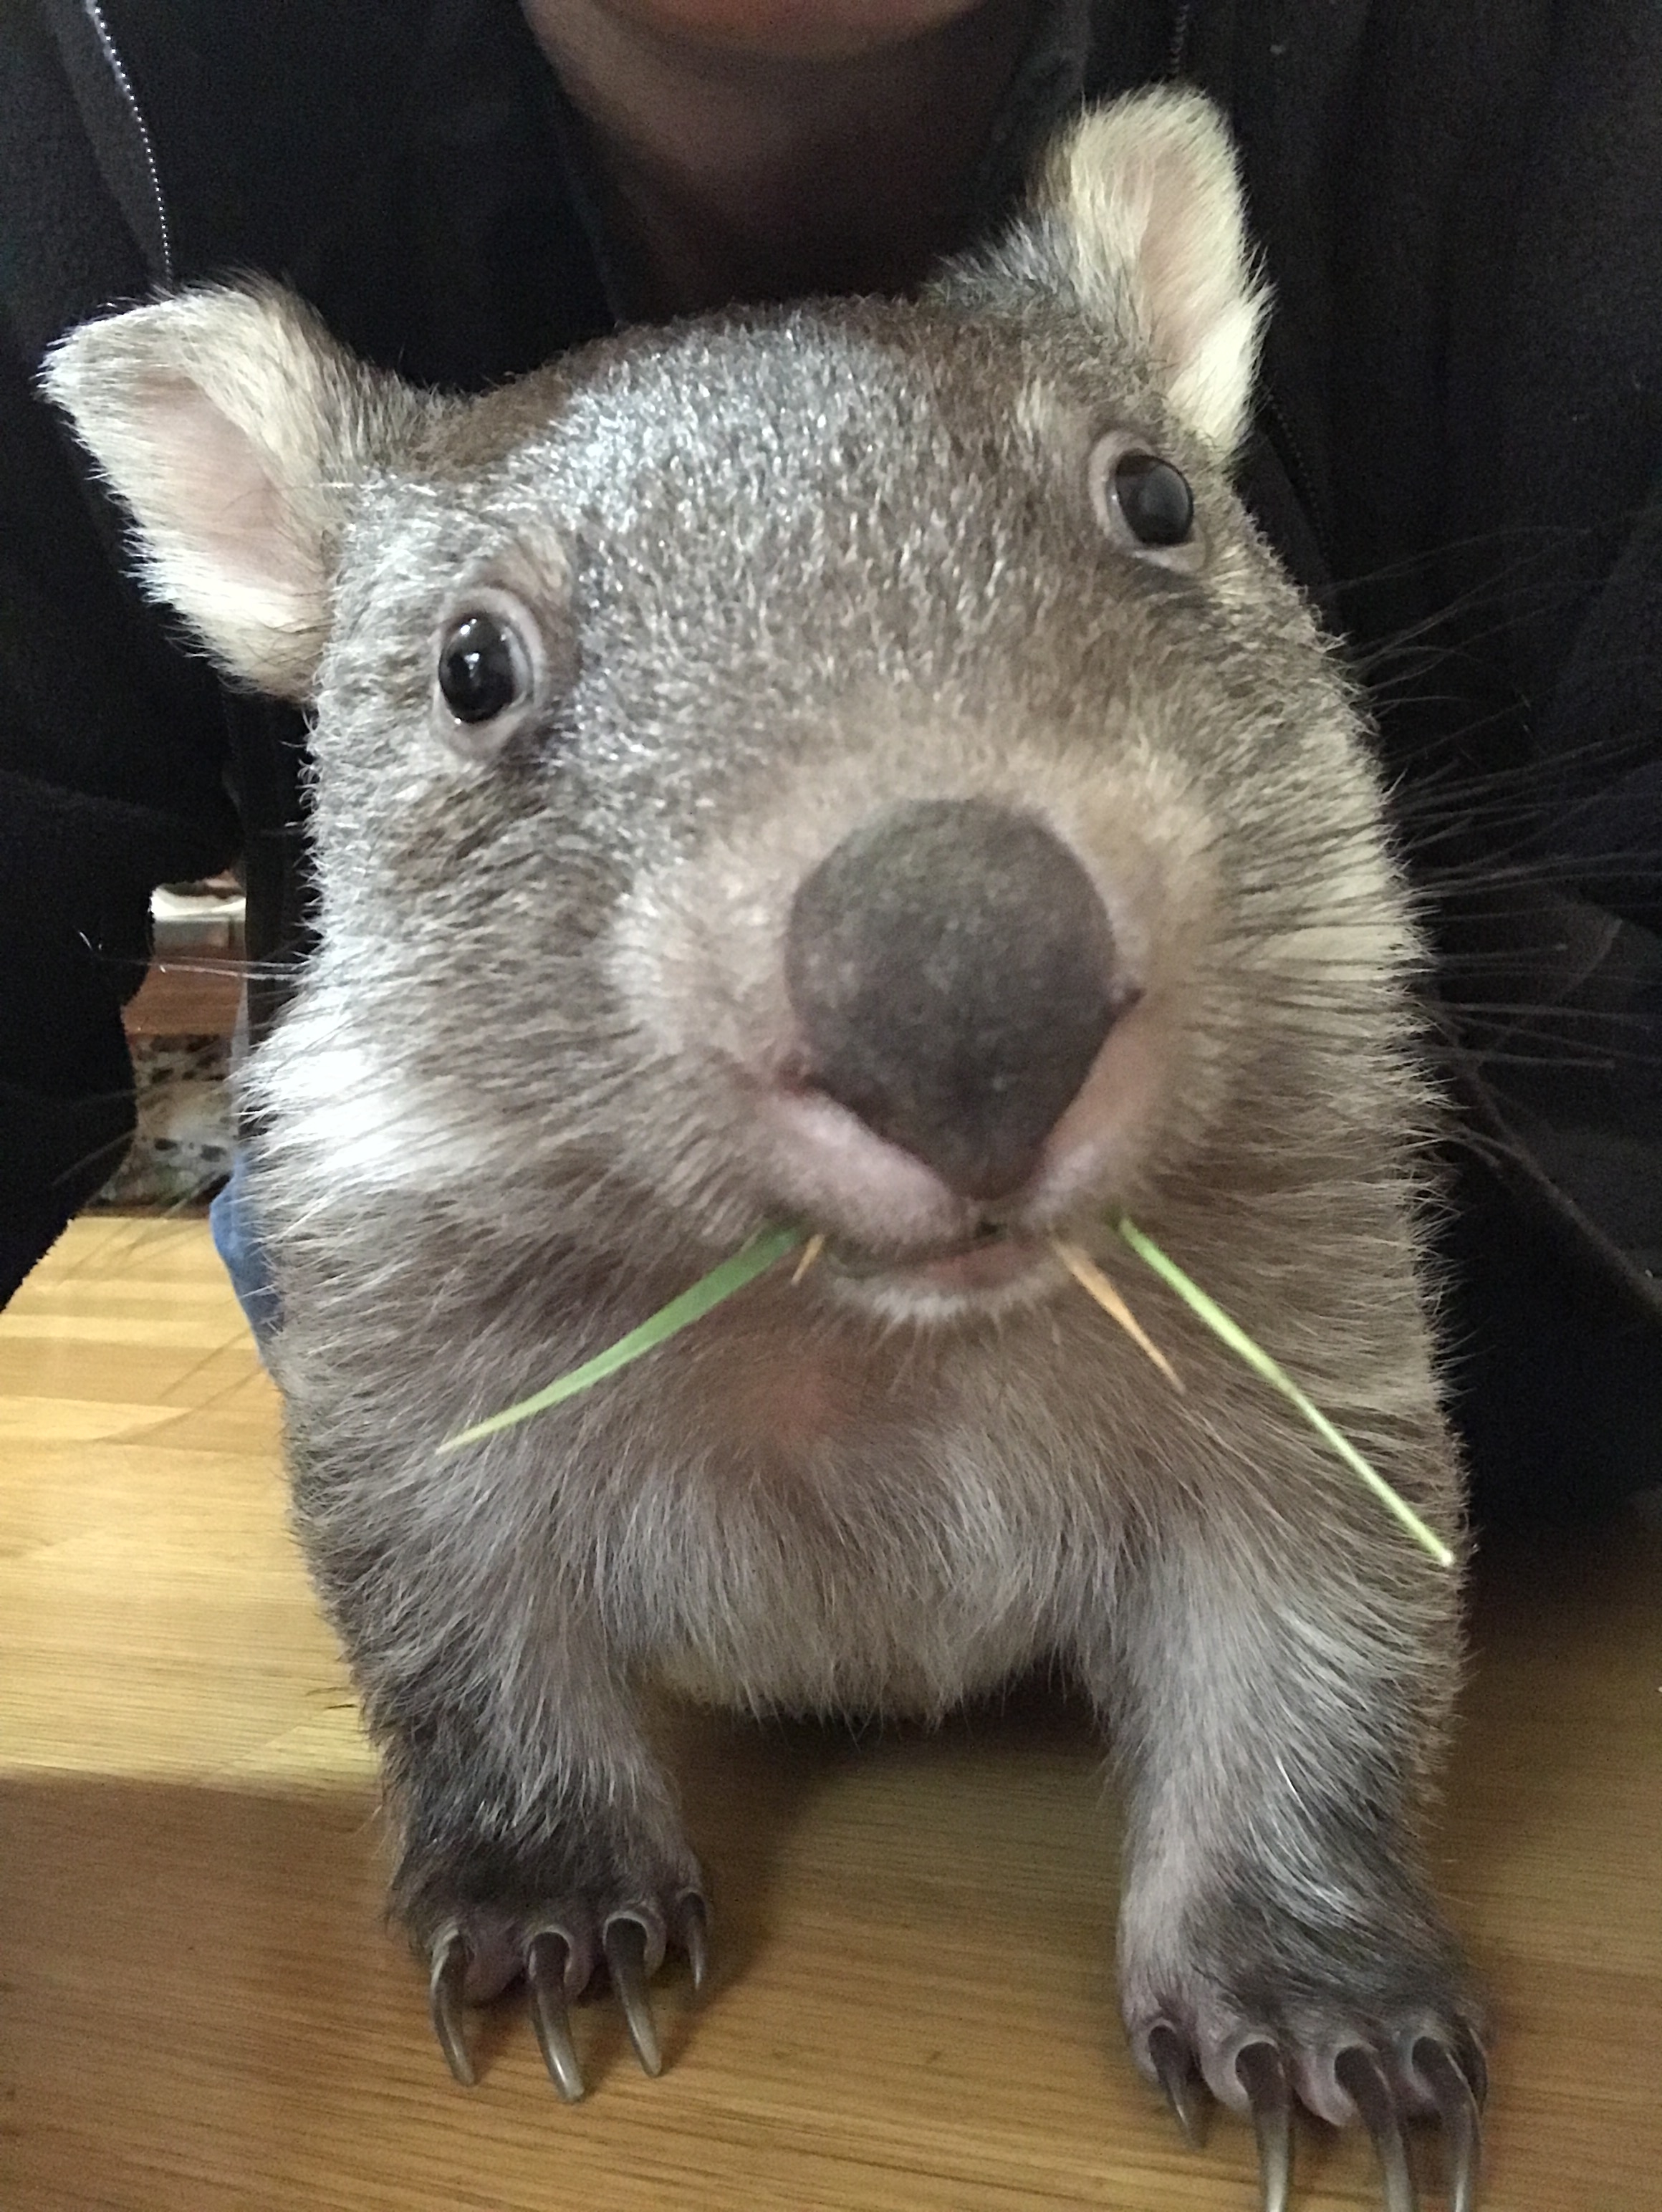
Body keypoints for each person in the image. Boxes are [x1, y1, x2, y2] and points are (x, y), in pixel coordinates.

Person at [3, 0, 1658, 1523]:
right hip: (565, 1433)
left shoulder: (1563, 92)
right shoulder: (75, 82)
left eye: (1142, 511)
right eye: (485, 670)